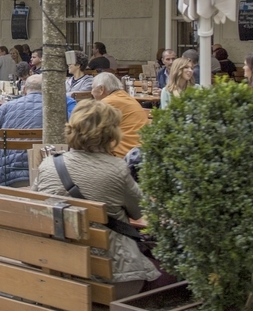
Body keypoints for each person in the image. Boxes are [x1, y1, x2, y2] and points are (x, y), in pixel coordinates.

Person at [35, 100, 162, 297]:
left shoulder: (48, 165)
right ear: (111, 133)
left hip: (59, 268)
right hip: (112, 276)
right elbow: (140, 211)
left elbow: (36, 205)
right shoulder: (116, 169)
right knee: (170, 276)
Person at [0, 74, 44, 187]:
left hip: (8, 171)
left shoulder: (7, 106)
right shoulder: (56, 109)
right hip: (44, 169)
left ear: (24, 90)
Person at [91, 72, 150, 158]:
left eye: (92, 88)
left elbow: (89, 129)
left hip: (124, 154)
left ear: (101, 89)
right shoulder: (125, 97)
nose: (91, 92)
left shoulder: (107, 103)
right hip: (140, 151)